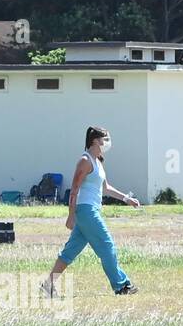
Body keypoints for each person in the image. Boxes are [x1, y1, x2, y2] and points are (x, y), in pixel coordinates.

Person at [43, 126, 139, 298]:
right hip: (86, 211)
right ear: (95, 140)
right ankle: (121, 286)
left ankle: (48, 285)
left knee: (70, 252)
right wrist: (71, 216)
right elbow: (74, 189)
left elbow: (106, 188)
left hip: (90, 210)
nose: (108, 143)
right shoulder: (85, 160)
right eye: (106, 139)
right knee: (107, 246)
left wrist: (126, 199)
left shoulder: (98, 162)